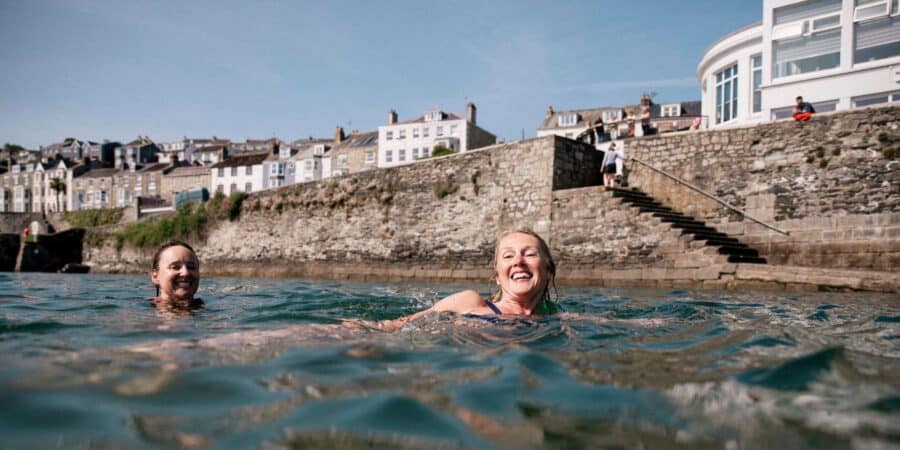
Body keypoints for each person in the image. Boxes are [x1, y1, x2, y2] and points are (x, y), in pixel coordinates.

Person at [373, 229, 558, 331]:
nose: (518, 261)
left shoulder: (555, 319)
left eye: (530, 254)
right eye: (508, 256)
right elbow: (400, 325)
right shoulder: (469, 302)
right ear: (497, 277)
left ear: (548, 270)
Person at [150, 239, 202, 308]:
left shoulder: (210, 312)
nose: (185, 273)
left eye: (191, 267)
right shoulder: (142, 313)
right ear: (155, 277)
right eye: (175, 267)